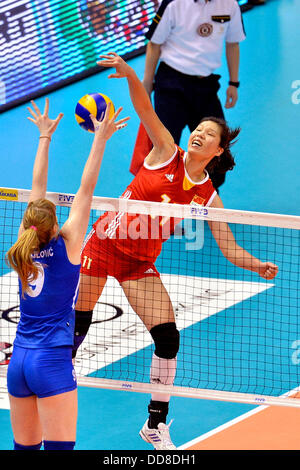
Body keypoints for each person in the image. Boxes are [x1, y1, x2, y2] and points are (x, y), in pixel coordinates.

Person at [72, 52, 279, 450]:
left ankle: (155, 423)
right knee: (78, 325)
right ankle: (48, 369)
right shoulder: (166, 150)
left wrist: (256, 266)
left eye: (207, 134)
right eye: (197, 129)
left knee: (168, 338)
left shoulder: (207, 194)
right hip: (102, 246)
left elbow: (230, 247)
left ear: (218, 151)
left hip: (139, 263)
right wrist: (133, 74)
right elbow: (144, 108)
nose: (198, 134)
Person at [5, 98, 129, 451]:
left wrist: (44, 138)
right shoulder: (69, 244)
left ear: (28, 225)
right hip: (51, 361)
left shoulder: (24, 246)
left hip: (19, 363)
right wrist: (100, 139)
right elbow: (86, 188)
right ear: (55, 224)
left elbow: (37, 188)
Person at [139, 0, 246, 190]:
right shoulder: (173, 3)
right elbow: (154, 44)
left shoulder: (230, 4)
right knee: (164, 147)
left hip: (206, 86)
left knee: (217, 150)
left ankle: (207, 196)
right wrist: (146, 84)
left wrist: (233, 83)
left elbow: (233, 43)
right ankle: (157, 196)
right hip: (171, 85)